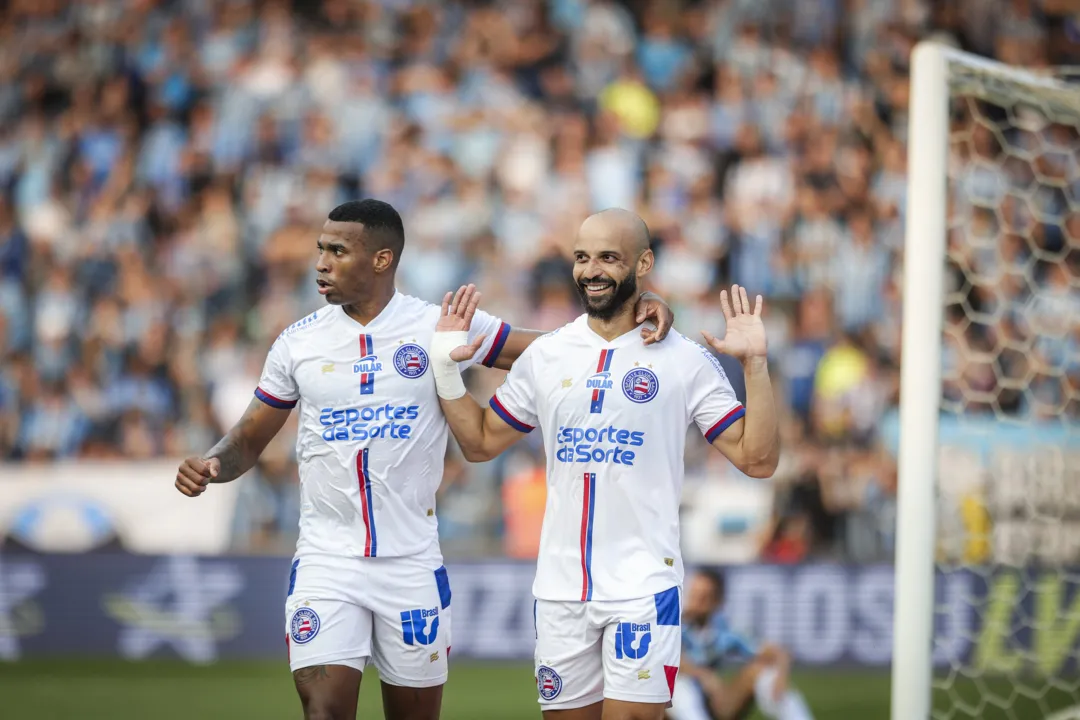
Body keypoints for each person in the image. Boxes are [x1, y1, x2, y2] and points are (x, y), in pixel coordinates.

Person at [172, 199, 675, 720]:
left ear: (382, 259)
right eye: (321, 249)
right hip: (327, 559)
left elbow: (557, 349)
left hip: (411, 564)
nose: (320, 262)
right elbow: (248, 438)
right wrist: (213, 463)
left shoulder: (438, 326)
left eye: (337, 251)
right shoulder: (296, 344)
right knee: (324, 709)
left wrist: (634, 310)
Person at [429, 208, 780, 720]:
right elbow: (480, 442)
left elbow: (759, 458)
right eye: (582, 257)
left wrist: (755, 364)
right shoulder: (548, 355)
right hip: (559, 590)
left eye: (608, 258)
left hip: (643, 587)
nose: (591, 270)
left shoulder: (684, 360)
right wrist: (444, 368)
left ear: (644, 263)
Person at [670, 570, 813, 720]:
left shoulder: (724, 631)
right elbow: (666, 659)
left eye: (704, 597)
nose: (696, 602)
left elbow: (778, 653)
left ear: (717, 601)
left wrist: (780, 677)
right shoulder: (673, 625)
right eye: (694, 595)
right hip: (668, 704)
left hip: (712, 702)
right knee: (680, 686)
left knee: (760, 672)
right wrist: (704, 676)